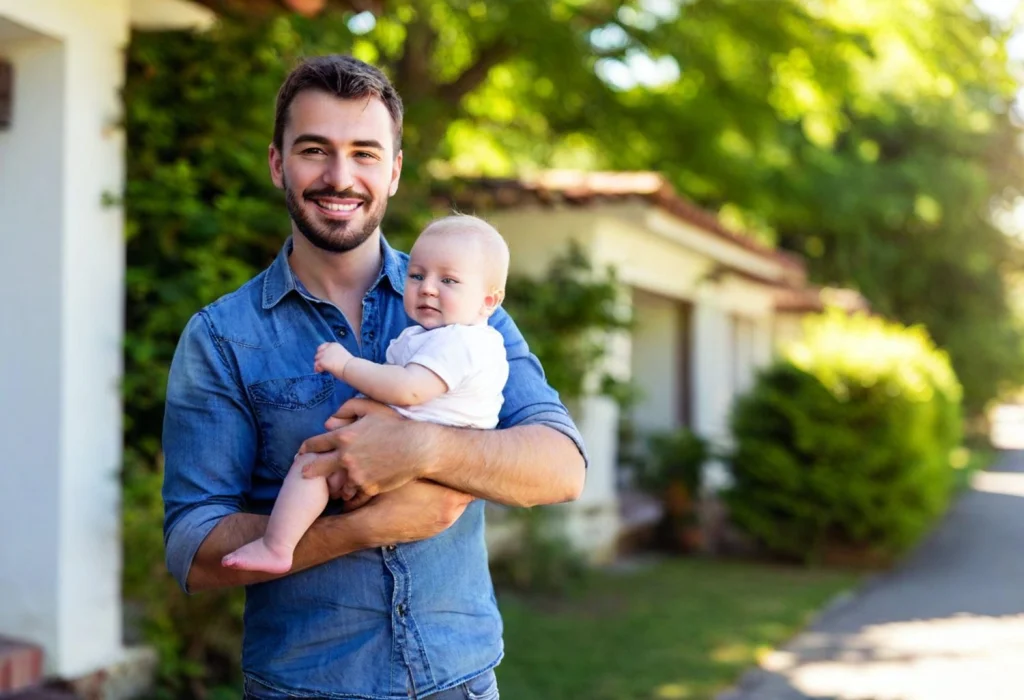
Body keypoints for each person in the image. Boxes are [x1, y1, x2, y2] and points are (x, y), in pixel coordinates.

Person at [161, 54, 586, 700]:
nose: (340, 176)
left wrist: (426, 449)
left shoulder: (462, 297)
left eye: (364, 153)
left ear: (393, 170)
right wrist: (358, 527)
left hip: (460, 682)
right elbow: (192, 549)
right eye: (314, 150)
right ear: (278, 163)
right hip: (304, 689)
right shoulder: (222, 338)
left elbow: (562, 467)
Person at [220, 214, 512, 574]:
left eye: (448, 280)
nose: (428, 288)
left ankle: (277, 545)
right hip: (415, 462)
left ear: (489, 301)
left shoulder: (463, 341)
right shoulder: (434, 335)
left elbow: (408, 389)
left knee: (311, 469)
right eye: (417, 276)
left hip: (425, 470)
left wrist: (345, 365)